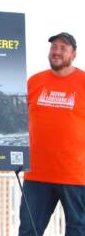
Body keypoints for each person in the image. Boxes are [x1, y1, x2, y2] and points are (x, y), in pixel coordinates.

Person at [19, 32, 85, 235]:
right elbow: (15, 122)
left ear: (73, 54)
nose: (57, 51)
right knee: (29, 229)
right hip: (37, 173)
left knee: (77, 230)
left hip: (75, 175)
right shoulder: (34, 82)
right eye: (54, 47)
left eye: (63, 48)